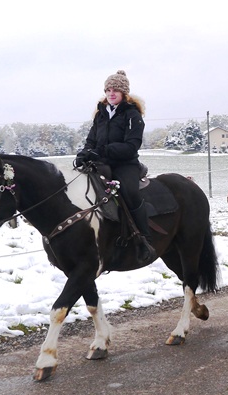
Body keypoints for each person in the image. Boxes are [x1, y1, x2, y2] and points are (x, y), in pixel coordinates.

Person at [74, 70, 156, 265]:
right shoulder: (100, 114)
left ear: (124, 93)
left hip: (125, 164)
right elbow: (91, 140)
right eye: (108, 90)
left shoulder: (132, 115)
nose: (111, 93)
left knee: (129, 192)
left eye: (115, 90)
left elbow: (131, 146)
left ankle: (143, 238)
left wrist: (101, 151)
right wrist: (84, 153)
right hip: (101, 162)